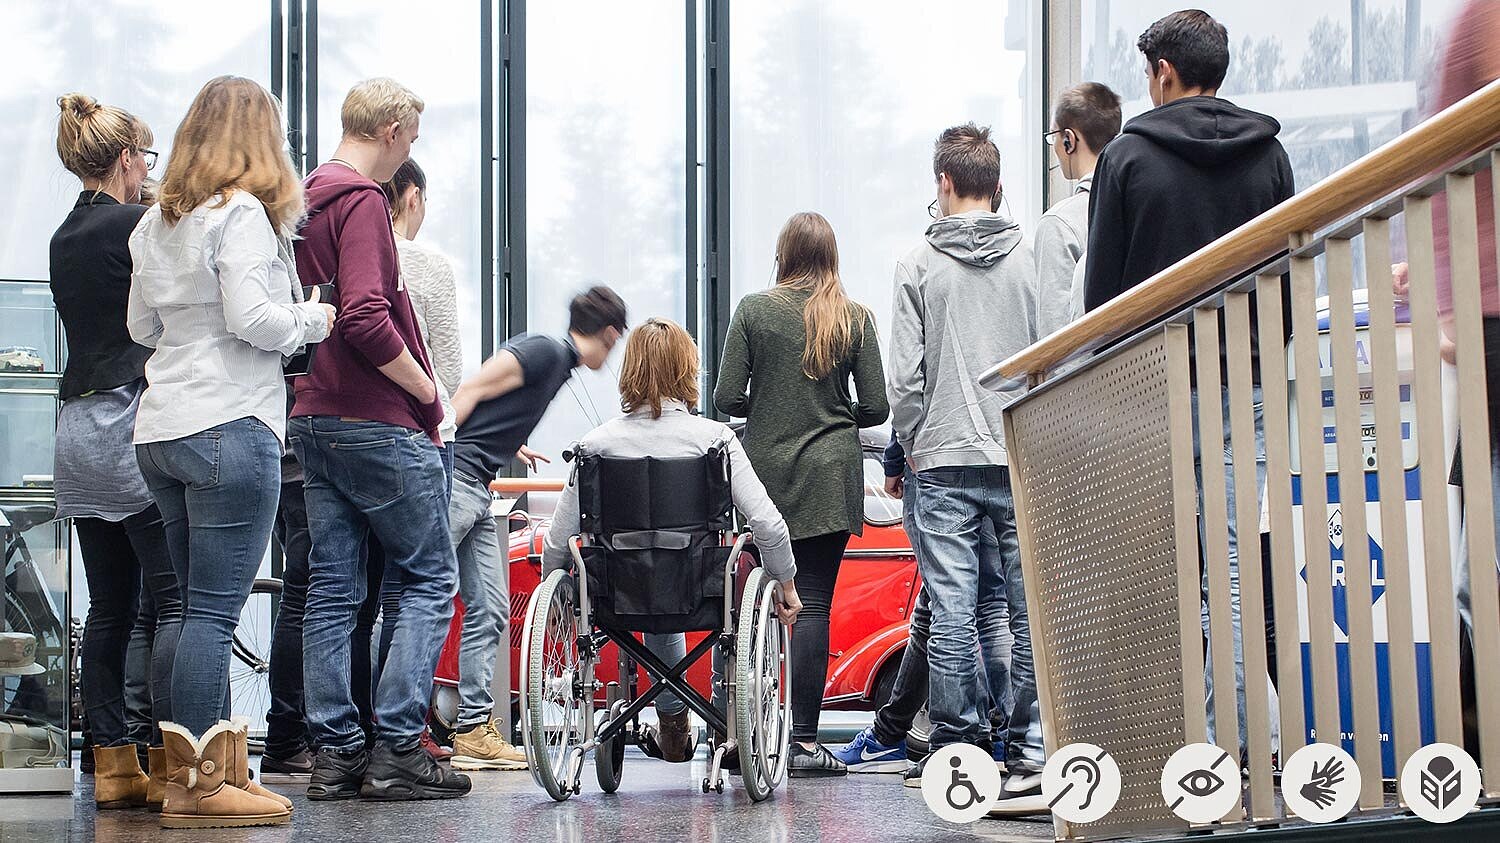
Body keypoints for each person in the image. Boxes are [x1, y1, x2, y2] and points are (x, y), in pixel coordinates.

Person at [1082, 9, 1294, 752]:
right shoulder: (1269, 155)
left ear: (1163, 73)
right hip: (1247, 382)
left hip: (1150, 386)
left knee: (1158, 573)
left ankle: (1166, 749)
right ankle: (1233, 746)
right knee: (1233, 570)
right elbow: (1286, 285)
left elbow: (1100, 299)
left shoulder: (1128, 160)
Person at [128, 75, 333, 828]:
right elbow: (254, 319)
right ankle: (206, 786)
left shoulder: (154, 222)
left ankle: (201, 774)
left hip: (161, 428)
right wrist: (311, 319)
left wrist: (196, 329)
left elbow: (142, 327)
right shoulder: (242, 213)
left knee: (184, 607)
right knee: (214, 613)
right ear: (259, 140)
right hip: (229, 423)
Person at [289, 77, 470, 803]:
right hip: (375, 418)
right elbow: (364, 315)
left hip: (314, 415)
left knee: (333, 586)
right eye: (412, 140)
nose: (410, 158)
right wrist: (427, 391)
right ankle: (398, 744)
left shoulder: (306, 198)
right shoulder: (364, 200)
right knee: (430, 577)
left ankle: (336, 754)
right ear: (391, 128)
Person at [541, 317, 802, 762]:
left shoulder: (595, 446)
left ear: (630, 373)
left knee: (648, 577)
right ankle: (723, 728)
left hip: (619, 597)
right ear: (687, 370)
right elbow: (769, 525)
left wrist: (559, 600)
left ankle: (673, 726)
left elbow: (557, 541)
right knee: (688, 580)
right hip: (699, 591)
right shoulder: (715, 441)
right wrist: (787, 582)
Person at [887, 123, 1043, 810]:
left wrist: (915, 436)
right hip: (1017, 450)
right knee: (1024, 604)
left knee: (951, 607)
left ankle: (960, 745)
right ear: (998, 185)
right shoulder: (1032, 258)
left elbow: (905, 378)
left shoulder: (916, 262)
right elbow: (1050, 353)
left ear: (943, 184)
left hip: (944, 456)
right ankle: (1032, 743)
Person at [714, 211, 889, 777]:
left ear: (783, 254)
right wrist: (836, 414)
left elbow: (726, 397)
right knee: (811, 598)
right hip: (831, 473)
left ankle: (752, 734)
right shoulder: (854, 317)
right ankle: (806, 743)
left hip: (765, 474)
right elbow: (878, 408)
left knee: (753, 607)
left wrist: (770, 402)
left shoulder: (754, 311)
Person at [49, 92, 179, 810]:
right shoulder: (140, 223)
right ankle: (170, 758)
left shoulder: (62, 234)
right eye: (145, 158)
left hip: (77, 429)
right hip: (130, 423)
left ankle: (113, 764)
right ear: (128, 158)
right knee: (175, 601)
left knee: (109, 607)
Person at [442, 286, 626, 766]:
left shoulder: (556, 363)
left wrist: (508, 440)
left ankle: (472, 732)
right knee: (422, 600)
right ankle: (390, 729)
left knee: (490, 608)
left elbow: (495, 404)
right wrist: (437, 456)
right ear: (610, 333)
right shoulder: (544, 350)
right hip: (458, 479)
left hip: (478, 482)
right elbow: (472, 390)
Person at [831, 436, 1013, 779]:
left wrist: (898, 457)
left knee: (950, 609)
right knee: (989, 605)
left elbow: (905, 391)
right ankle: (1008, 740)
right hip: (999, 458)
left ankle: (955, 745)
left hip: (936, 464)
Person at [1035, 82, 1121, 338]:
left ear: (1069, 140)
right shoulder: (1138, 203)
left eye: (1054, 137)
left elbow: (1054, 339)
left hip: (1088, 375)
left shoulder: (1059, 224)